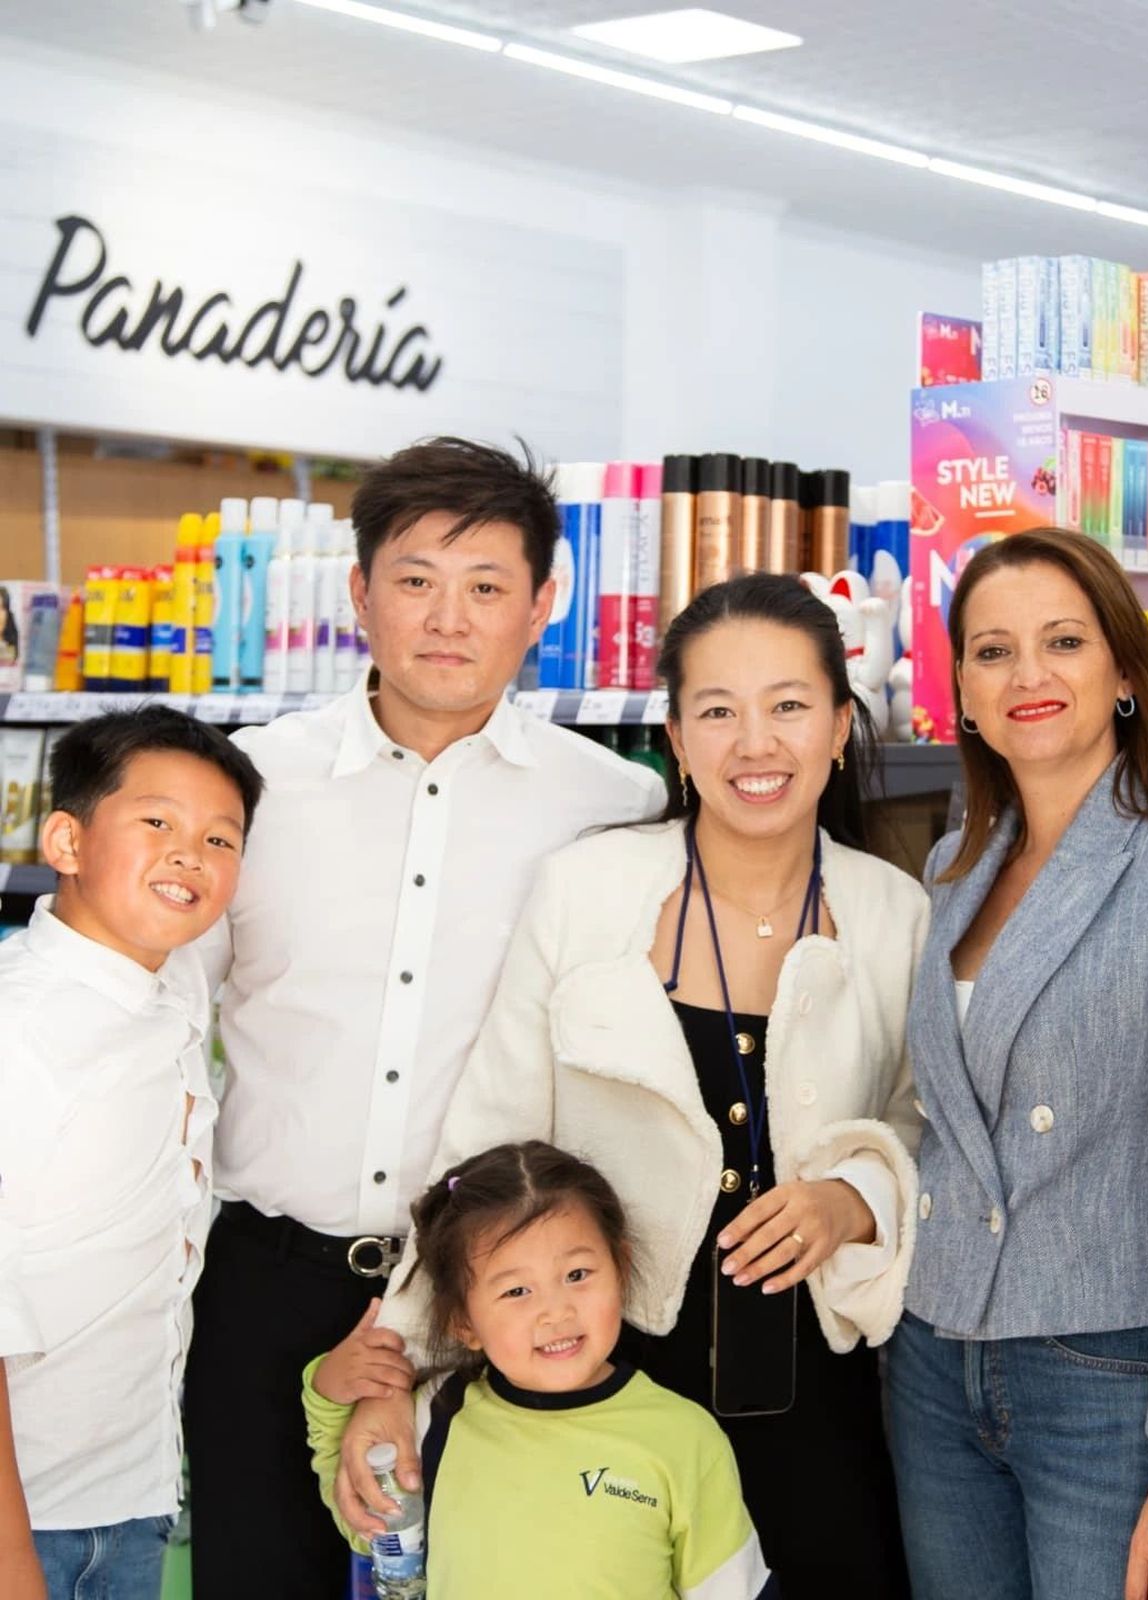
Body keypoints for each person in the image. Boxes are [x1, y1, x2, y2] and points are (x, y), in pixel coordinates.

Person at [334, 572, 928, 1596]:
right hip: (603, 1402)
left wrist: (853, 1198)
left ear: (838, 726)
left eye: (789, 706)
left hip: (825, 1411)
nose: (756, 743)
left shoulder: (892, 913)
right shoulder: (589, 890)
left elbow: (928, 1125)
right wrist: (401, 1365)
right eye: (717, 711)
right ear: (676, 736)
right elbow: (489, 1143)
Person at [183, 437, 662, 1599]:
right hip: (264, 1285)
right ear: (358, 593)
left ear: (542, 604)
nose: (448, 620)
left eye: (487, 586)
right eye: (414, 580)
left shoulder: (615, 805)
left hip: (492, 1293)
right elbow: (168, 1032)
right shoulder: (251, 784)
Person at [888, 529, 1148, 1600]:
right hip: (936, 1353)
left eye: (1062, 641)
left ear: (1122, 670)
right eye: (991, 650)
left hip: (1111, 1377)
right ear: (963, 693)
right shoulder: (953, 865)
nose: (1027, 675)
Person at [0, 707, 263, 1600]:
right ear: (66, 840)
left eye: (219, 838)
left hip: (132, 1498)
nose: (191, 854)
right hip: (30, 1522)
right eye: (157, 822)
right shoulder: (19, 1030)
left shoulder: (167, 991)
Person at [305, 1140, 774, 1599]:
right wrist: (326, 1392)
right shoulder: (437, 1416)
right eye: (516, 1292)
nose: (556, 1312)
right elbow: (367, 1519)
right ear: (463, 1322)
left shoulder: (684, 1437)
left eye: (577, 1275)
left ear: (620, 1267)